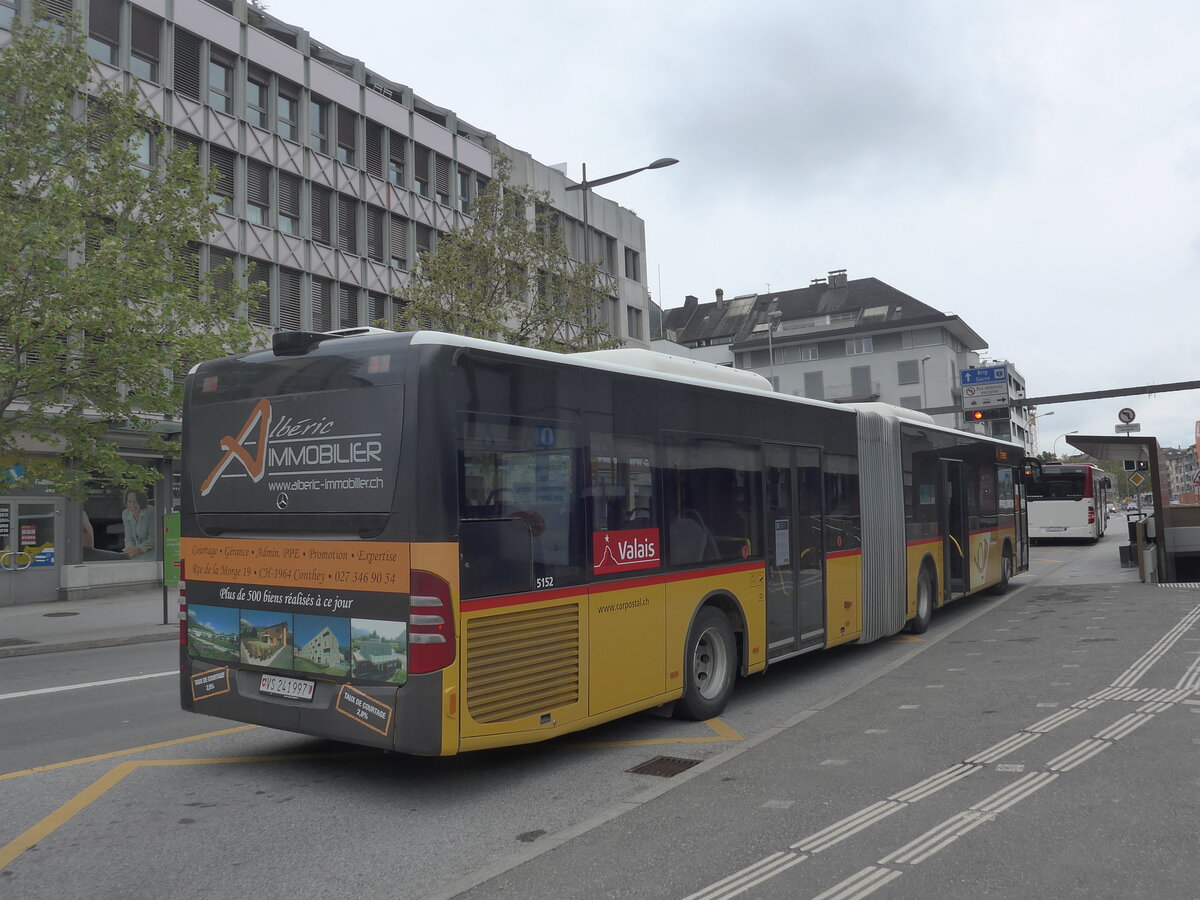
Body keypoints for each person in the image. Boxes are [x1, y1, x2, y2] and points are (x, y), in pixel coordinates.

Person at [121, 490, 155, 558]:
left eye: (135, 501)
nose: (132, 505)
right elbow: (128, 538)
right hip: (136, 553)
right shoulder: (125, 514)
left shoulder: (151, 511)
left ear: (141, 501)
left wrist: (138, 549)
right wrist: (129, 550)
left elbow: (153, 538)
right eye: (129, 501)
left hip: (153, 552)